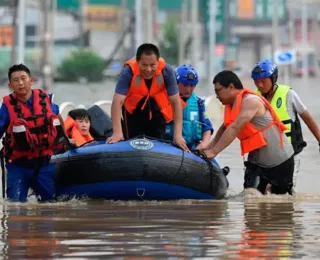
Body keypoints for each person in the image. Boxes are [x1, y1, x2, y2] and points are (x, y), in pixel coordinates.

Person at [201, 70, 294, 195]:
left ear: (231, 87)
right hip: (256, 164)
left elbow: (235, 127)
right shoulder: (232, 105)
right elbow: (225, 128)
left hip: (280, 162)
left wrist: (213, 152)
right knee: (250, 198)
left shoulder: (250, 101)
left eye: (218, 91)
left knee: (280, 204)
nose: (217, 96)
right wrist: (208, 147)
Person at [0, 64, 66, 202]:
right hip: (17, 166)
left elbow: (57, 115)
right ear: (10, 85)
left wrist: (66, 138)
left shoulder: (45, 101)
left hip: (44, 165)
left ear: (31, 81)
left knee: (49, 207)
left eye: (23, 78)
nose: (21, 83)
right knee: (15, 209)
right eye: (16, 80)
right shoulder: (7, 107)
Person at [106, 43, 189, 152]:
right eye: (144, 65)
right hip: (133, 111)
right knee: (131, 142)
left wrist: (178, 135)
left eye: (152, 65)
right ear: (137, 61)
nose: (148, 69)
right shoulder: (128, 71)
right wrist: (117, 132)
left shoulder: (167, 71)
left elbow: (176, 103)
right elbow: (117, 101)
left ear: (157, 61)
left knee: (158, 143)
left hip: (157, 111)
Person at [251, 60, 320, 190]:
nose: (259, 85)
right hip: (263, 154)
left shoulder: (289, 95)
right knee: (254, 193)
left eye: (263, 80)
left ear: (273, 79)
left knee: (284, 194)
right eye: (256, 81)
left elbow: (308, 119)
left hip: (289, 154)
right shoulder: (254, 98)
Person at [165, 64, 214, 150]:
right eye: (185, 85)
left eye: (192, 86)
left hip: (191, 148)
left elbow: (207, 127)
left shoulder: (199, 103)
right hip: (167, 147)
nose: (188, 90)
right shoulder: (164, 100)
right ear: (176, 83)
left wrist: (204, 143)